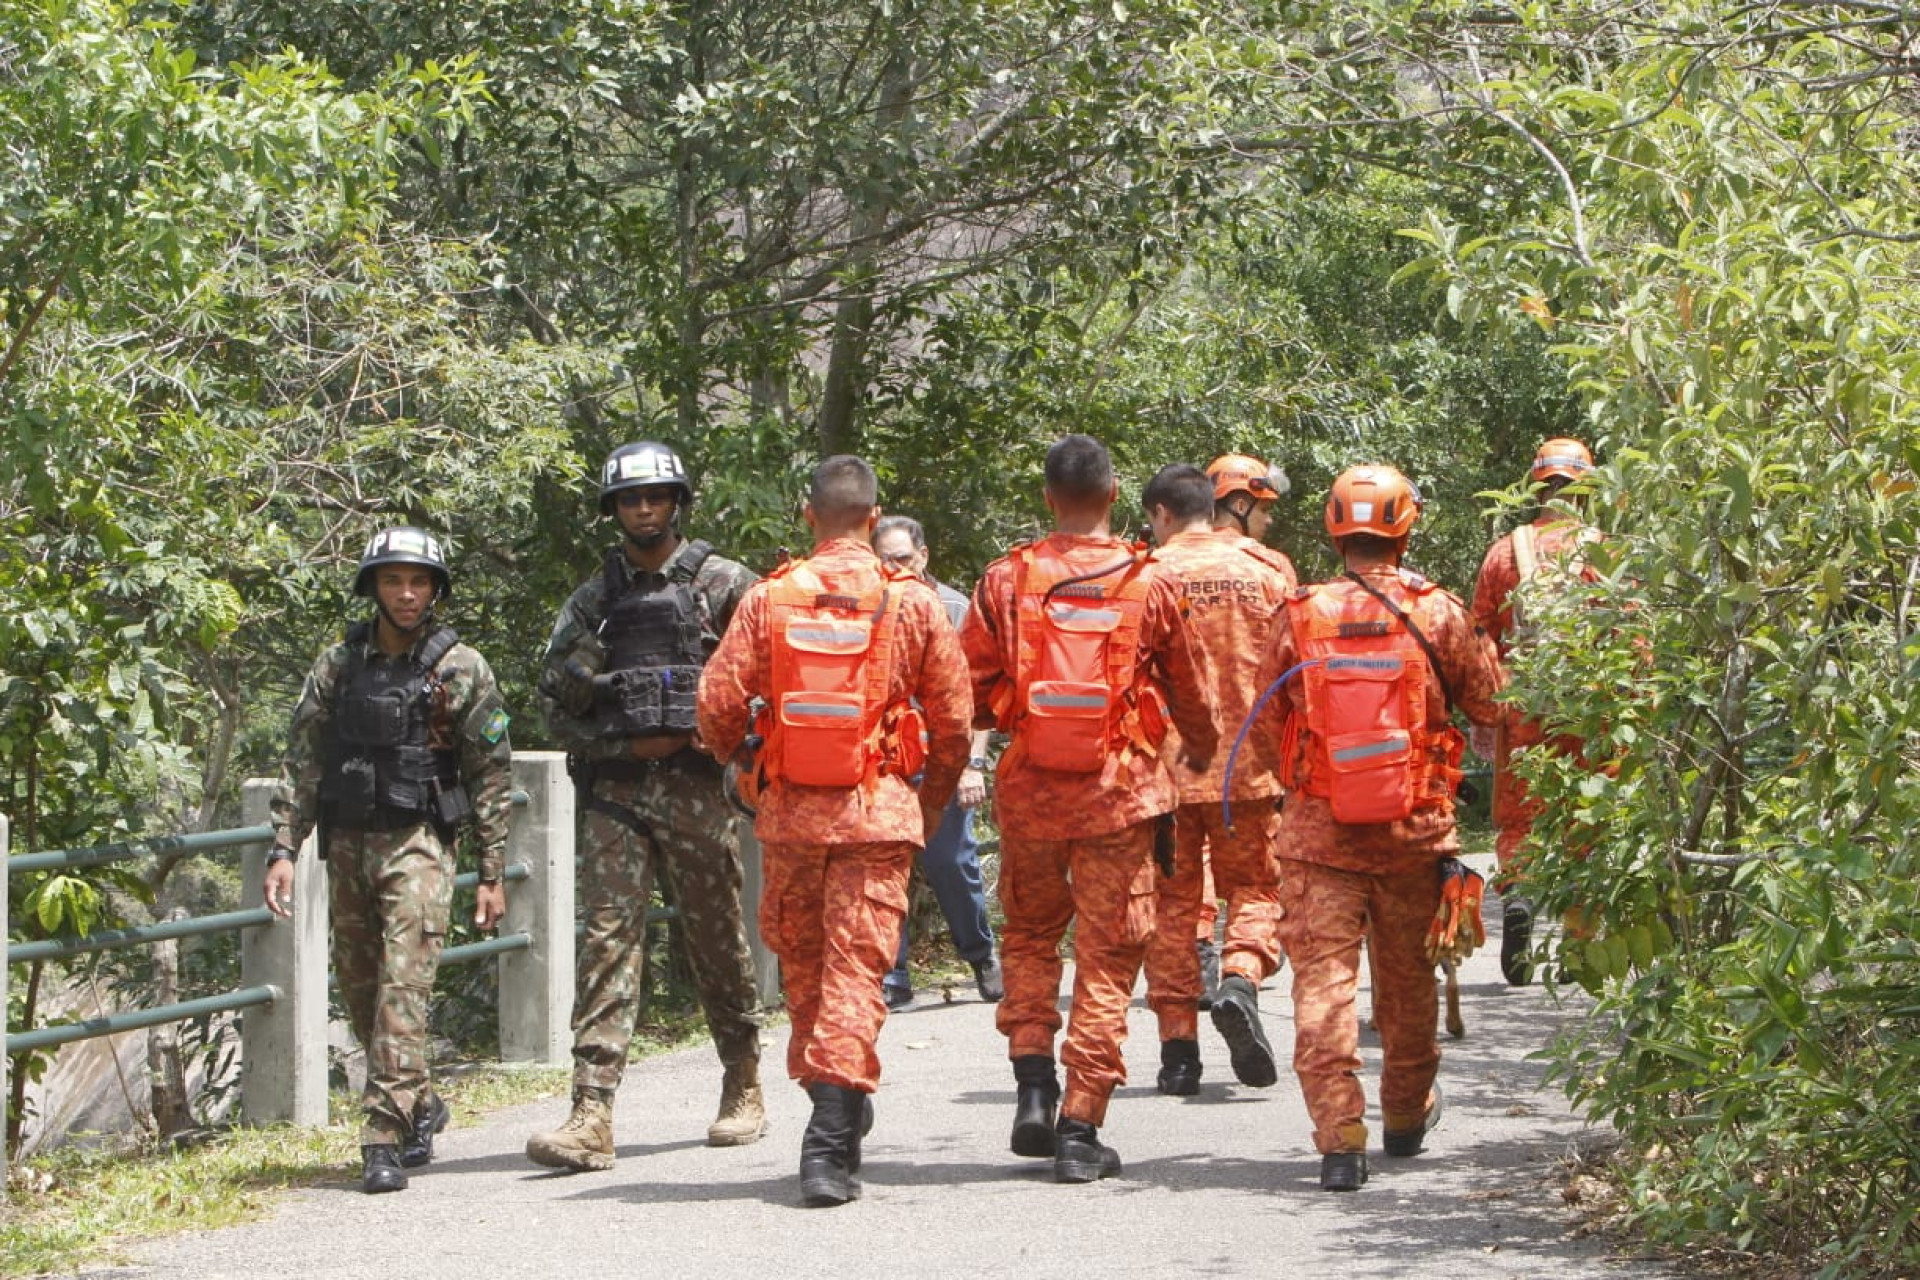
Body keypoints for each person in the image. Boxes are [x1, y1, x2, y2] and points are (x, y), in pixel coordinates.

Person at [697, 455, 972, 1207]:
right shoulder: (909, 602)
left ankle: (830, 1114)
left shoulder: (769, 597)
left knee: (809, 974)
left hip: (789, 819)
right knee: (857, 972)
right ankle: (833, 1123)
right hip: (877, 817)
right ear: (875, 517)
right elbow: (953, 723)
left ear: (809, 515)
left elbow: (717, 703)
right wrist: (933, 803)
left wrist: (739, 761)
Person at [959, 434, 1218, 1184]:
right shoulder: (1148, 580)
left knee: (1032, 937)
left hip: (1032, 790)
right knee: (1107, 958)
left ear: (1048, 499)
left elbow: (965, 684)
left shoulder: (1007, 579)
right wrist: (1197, 751)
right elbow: (1191, 686)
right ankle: (1081, 1125)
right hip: (1121, 795)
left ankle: (1033, 1085)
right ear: (1113, 497)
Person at [1252, 464, 1503, 1191]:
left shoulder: (1299, 614)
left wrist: (1306, 785)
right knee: (1407, 985)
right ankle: (1403, 1116)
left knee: (1324, 989)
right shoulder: (1439, 612)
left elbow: (1266, 729)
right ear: (1406, 526)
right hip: (1413, 835)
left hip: (1318, 837)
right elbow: (1489, 706)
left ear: (1334, 528)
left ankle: (1339, 1141)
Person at [524, 441, 767, 1171]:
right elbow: (549, 700)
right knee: (606, 941)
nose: (643, 508)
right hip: (619, 790)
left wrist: (735, 746)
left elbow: (772, 678)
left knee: (715, 937)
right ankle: (591, 1111)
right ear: (615, 511)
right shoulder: (595, 600)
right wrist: (606, 726)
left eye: (655, 496)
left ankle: (743, 1080)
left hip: (699, 788)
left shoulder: (727, 585)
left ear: (676, 501)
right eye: (630, 499)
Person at [263, 527, 514, 1195]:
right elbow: (303, 761)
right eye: (393, 580)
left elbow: (490, 772)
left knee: (405, 989)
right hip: (347, 842)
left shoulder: (461, 667)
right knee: (364, 989)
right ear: (372, 586)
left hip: (421, 844)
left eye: (419, 581)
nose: (406, 593)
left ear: (435, 590)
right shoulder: (338, 666)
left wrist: (492, 871)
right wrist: (285, 847)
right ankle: (421, 1105)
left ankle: (381, 1136)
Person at [1139, 462, 1296, 1098]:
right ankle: (1239, 978)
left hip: (1166, 774)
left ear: (1163, 513)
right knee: (1257, 890)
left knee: (1171, 912)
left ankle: (1179, 1056)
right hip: (1251, 771)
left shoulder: (1146, 576)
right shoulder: (1271, 571)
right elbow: (1297, 667)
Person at [1469, 438, 1602, 986]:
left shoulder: (1506, 552)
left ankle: (1521, 892)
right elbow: (1635, 637)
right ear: (1586, 489)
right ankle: (1576, 946)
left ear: (1537, 486)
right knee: (1588, 818)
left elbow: (1479, 635)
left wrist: (1482, 712)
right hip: (1591, 705)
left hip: (1523, 703)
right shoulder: (1603, 551)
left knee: (1522, 814)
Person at [871, 514, 1002, 1009]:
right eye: (884, 559)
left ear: (923, 556)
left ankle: (980, 954)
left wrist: (972, 765)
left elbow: (979, 698)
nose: (894, 568)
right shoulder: (869, 605)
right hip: (887, 763)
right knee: (885, 867)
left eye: (902, 558)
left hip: (943, 761)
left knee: (952, 863)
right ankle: (892, 974)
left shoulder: (953, 609)